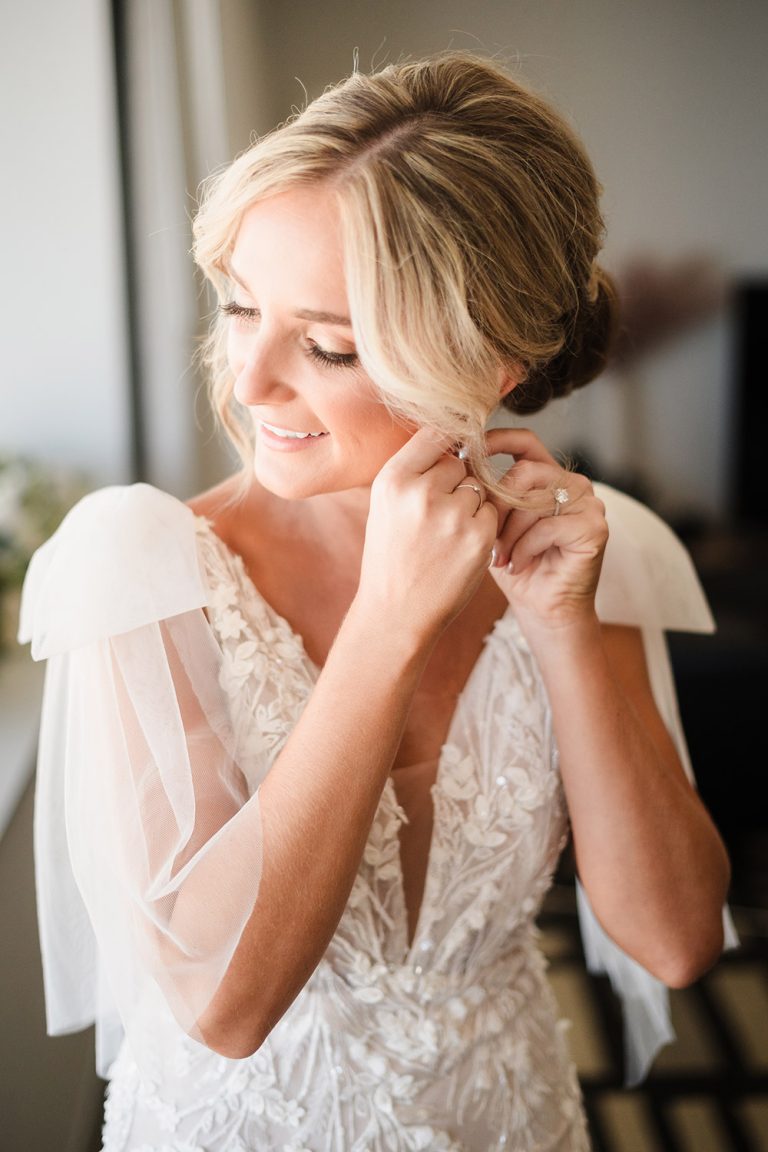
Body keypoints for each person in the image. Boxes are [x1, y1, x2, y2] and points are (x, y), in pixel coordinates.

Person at [20, 50, 735, 1152]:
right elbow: (225, 1006)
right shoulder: (143, 566)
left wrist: (562, 629)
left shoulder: (590, 546)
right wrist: (389, 624)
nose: (250, 382)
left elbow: (676, 941)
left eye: (328, 345)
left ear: (494, 360)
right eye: (239, 306)